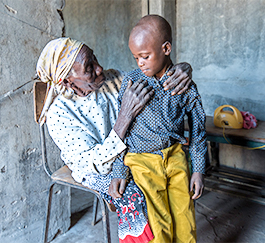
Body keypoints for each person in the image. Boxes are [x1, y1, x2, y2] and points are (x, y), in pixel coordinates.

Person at [38, 38, 193, 242]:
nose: (99, 68)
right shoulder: (59, 114)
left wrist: (180, 69)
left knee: (173, 168)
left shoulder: (114, 78)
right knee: (133, 192)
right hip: (94, 167)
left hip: (128, 152)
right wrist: (125, 117)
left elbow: (154, 79)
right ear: (67, 81)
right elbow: (97, 164)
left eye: (94, 58)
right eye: (89, 67)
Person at [110, 15, 207, 243]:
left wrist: (198, 170)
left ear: (166, 48)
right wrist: (119, 169)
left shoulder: (185, 85)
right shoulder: (132, 82)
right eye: (135, 58)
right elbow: (121, 128)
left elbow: (198, 132)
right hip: (142, 162)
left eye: (145, 56)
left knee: (185, 219)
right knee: (157, 225)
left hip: (175, 158)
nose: (140, 63)